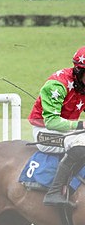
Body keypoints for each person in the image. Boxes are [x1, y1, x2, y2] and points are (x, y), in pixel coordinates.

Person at [28, 45, 85, 207]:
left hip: (68, 131)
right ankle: (54, 192)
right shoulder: (56, 86)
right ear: (80, 71)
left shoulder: (83, 86)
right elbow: (51, 122)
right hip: (45, 132)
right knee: (81, 145)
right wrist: (81, 124)